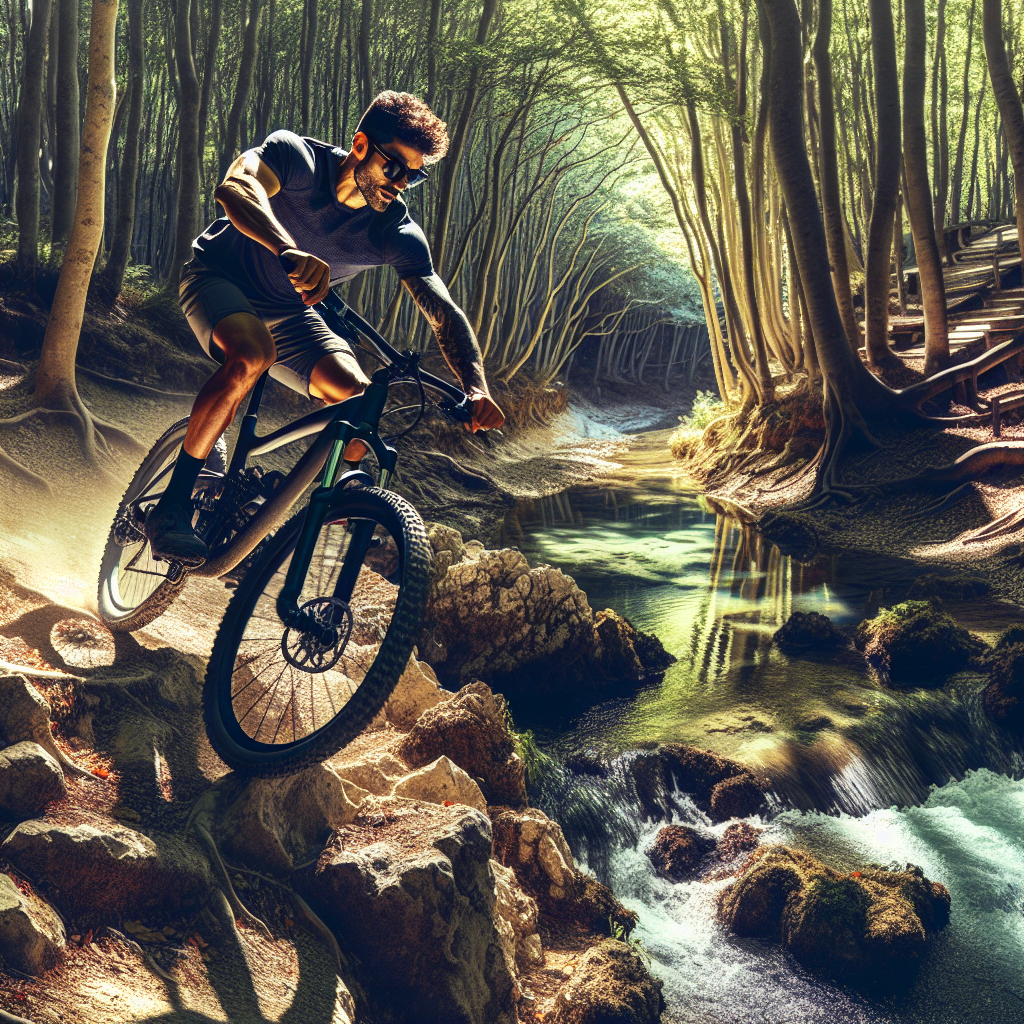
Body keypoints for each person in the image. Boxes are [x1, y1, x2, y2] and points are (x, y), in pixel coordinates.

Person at [145, 90, 505, 567]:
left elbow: (442, 309)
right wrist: (285, 248)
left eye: (414, 177)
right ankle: (171, 507)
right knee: (252, 355)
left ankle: (335, 498)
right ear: (360, 146)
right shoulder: (296, 157)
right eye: (394, 168)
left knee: (359, 398)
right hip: (217, 279)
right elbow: (235, 188)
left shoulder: (394, 230)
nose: (400, 184)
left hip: (291, 314)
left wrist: (475, 386)